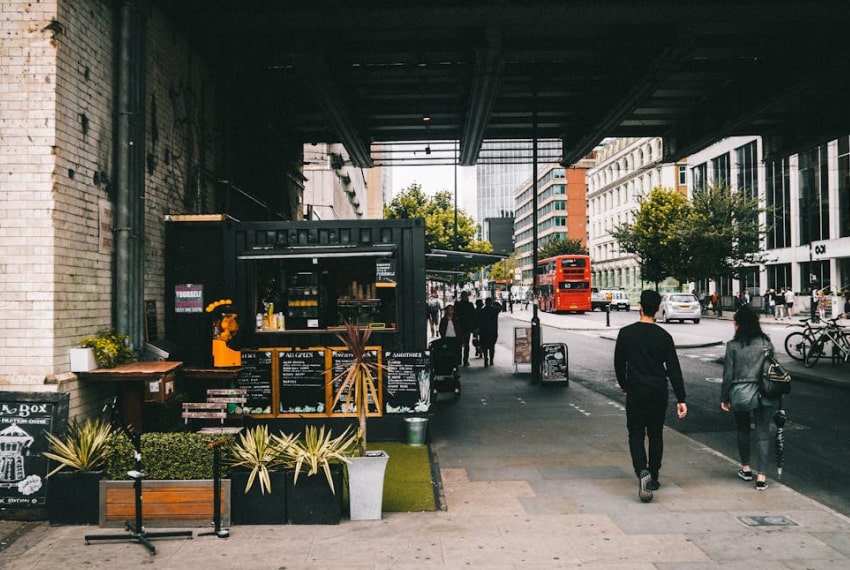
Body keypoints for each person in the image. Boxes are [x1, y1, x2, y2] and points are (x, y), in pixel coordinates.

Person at [614, 289, 688, 503]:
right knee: (656, 434)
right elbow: (674, 369)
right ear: (657, 309)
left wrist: (624, 384)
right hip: (658, 391)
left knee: (635, 434)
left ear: (640, 307)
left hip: (636, 390)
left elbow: (619, 364)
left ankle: (641, 471)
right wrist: (681, 398)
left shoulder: (626, 333)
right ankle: (654, 476)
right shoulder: (664, 336)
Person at [720, 305, 779, 491]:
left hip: (740, 392)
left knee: (742, 429)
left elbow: (728, 375)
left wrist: (725, 396)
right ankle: (761, 476)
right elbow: (773, 369)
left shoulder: (733, 346)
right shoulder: (766, 343)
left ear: (738, 325)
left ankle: (746, 468)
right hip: (764, 391)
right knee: (763, 434)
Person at [453, 291, 477, 367]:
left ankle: (459, 360)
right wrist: (473, 328)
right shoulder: (470, 305)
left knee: (459, 344)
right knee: (466, 344)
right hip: (467, 327)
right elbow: (473, 316)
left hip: (459, 327)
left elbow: (455, 314)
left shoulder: (457, 304)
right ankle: (465, 360)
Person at [477, 297, 500, 367]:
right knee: (492, 346)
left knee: (484, 346)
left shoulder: (482, 311)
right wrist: (494, 304)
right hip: (492, 331)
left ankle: (486, 358)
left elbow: (478, 321)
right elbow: (500, 307)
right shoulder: (494, 310)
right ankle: (491, 360)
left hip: (483, 331)